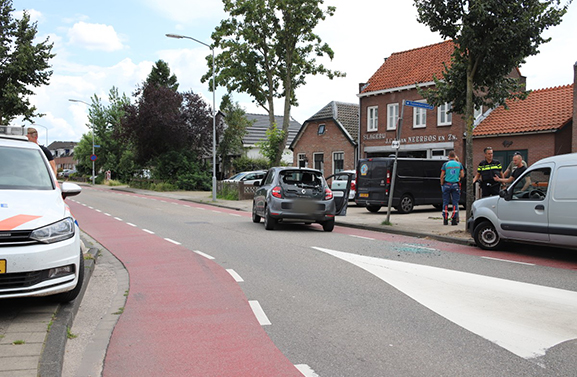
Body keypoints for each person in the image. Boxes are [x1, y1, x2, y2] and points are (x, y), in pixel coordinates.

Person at [440, 151, 464, 225]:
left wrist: (442, 184)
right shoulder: (459, 164)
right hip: (455, 185)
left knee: (445, 202)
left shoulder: (445, 164)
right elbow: (462, 175)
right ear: (455, 156)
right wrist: (459, 178)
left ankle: (445, 219)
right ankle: (454, 219)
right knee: (455, 203)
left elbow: (441, 176)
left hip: (447, 184)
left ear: (449, 156)